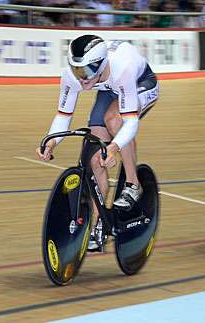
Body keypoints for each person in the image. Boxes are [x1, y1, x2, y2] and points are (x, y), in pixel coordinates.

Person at [36, 35, 159, 251]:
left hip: (140, 83)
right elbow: (63, 116)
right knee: (95, 159)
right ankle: (99, 224)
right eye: (77, 71)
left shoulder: (123, 69)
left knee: (114, 120)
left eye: (86, 72)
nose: (82, 79)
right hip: (107, 88)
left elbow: (130, 124)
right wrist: (52, 142)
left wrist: (113, 147)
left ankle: (133, 184)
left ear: (102, 64)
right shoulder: (73, 76)